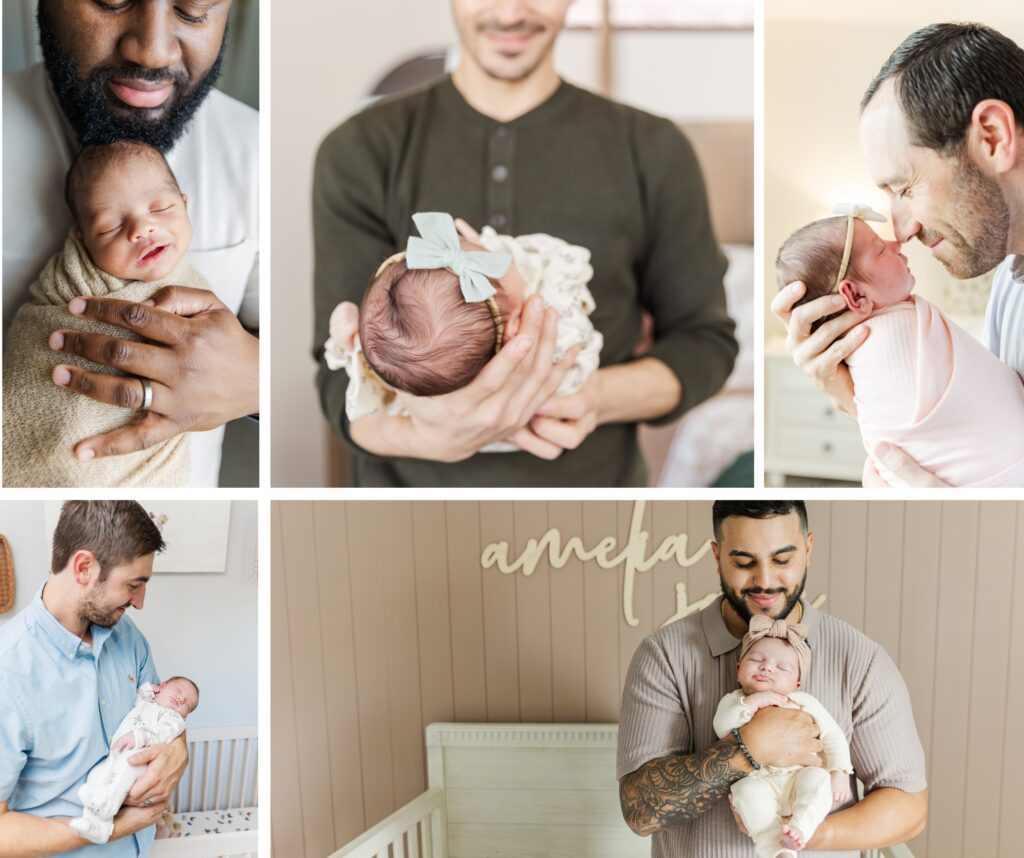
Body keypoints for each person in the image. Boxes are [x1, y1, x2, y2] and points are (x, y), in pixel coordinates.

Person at [314, 0, 737, 486]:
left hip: (591, 503)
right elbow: (334, 377)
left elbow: (706, 344)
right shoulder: (358, 150)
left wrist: (590, 394)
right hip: (406, 503)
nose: (511, 13)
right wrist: (433, 438)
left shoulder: (655, 149)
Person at [3, 0, 259, 487]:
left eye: (194, 8)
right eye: (113, 0)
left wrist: (257, 381)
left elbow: (328, 366)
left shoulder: (259, 153)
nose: (153, 51)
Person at [771, 22, 1024, 487]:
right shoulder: (1011, 282)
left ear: (992, 137)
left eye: (905, 186)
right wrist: (858, 399)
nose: (901, 231)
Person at [617, 500, 927, 858]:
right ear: (717, 556)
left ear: (808, 550)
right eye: (744, 562)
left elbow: (910, 809)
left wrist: (802, 834)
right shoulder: (664, 655)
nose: (764, 580)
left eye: (782, 560)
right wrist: (748, 748)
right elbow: (640, 813)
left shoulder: (860, 659)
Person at [4, 141, 210, 487]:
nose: (142, 229)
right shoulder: (67, 284)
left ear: (186, 205)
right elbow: (32, 350)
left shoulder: (196, 291)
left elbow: (218, 360)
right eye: (112, 227)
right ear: (82, 239)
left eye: (160, 209)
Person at [776, 209, 1024, 486]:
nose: (898, 240)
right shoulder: (881, 343)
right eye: (881, 250)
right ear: (855, 295)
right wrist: (844, 394)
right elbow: (909, 429)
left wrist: (848, 399)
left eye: (906, 187)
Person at [0, 501, 187, 857]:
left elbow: (166, 715)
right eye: (134, 584)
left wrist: (178, 754)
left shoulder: (127, 635)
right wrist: (112, 829)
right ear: (85, 567)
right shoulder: (8, 673)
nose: (140, 602)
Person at [325, 212, 601, 444]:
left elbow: (368, 359)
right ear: (515, 326)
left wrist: (350, 332)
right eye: (493, 258)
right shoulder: (547, 317)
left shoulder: (393, 366)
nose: (499, 253)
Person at [713, 618, 853, 858]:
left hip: (798, 777)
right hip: (759, 780)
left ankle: (800, 829)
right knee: (744, 791)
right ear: (738, 670)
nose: (767, 667)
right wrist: (751, 703)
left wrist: (839, 772)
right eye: (757, 660)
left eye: (782, 667)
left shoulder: (805, 703)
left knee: (819, 780)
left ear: (796, 683)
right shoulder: (734, 702)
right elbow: (722, 728)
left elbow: (833, 735)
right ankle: (775, 850)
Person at [71, 677, 199, 845]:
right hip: (118, 752)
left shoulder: (173, 719)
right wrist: (149, 689)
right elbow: (138, 692)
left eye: (187, 705)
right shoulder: (146, 703)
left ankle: (106, 815)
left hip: (139, 761)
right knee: (97, 774)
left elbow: (163, 733)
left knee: (125, 769)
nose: (182, 699)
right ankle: (92, 823)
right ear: (162, 687)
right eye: (179, 690)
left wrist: (139, 737)